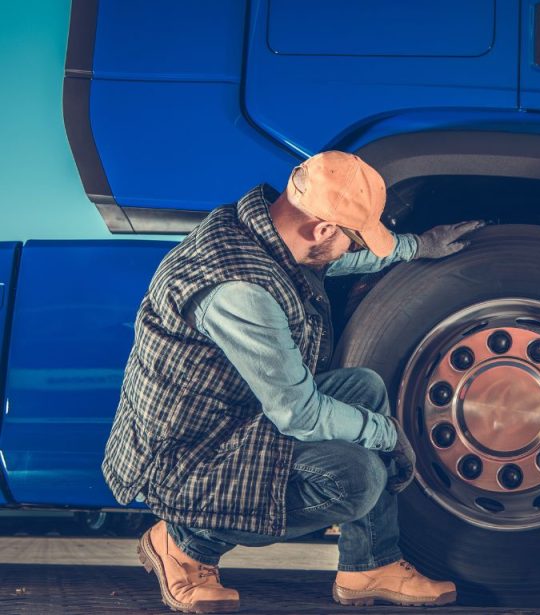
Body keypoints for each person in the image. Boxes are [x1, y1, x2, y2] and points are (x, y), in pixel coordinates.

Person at [102, 151, 482, 612]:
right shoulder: (241, 291)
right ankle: (182, 542)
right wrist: (388, 434)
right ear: (323, 230)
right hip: (189, 452)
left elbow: (332, 262)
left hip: (234, 415)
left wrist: (419, 246)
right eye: (353, 240)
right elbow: (297, 414)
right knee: (355, 481)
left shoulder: (261, 231)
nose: (355, 250)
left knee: (364, 387)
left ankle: (370, 564)